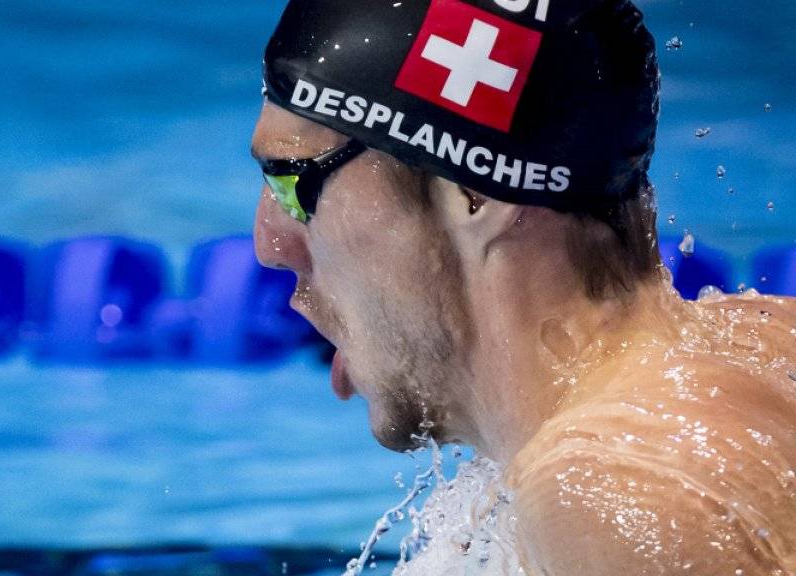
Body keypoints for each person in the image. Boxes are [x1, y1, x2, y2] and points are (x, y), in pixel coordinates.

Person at [249, 0, 796, 573]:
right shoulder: (763, 344)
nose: (269, 243)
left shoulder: (611, 493)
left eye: (291, 180)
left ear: (473, 193)